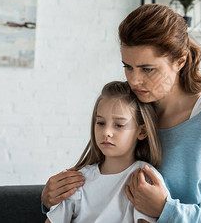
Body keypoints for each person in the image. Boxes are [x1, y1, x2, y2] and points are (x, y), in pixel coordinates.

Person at [42, 4, 201, 222]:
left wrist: (166, 210)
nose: (134, 80)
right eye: (128, 67)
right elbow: (97, 186)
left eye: (147, 69)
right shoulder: (128, 109)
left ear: (180, 61)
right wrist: (49, 200)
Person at [45, 81, 167, 223]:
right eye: (101, 123)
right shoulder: (77, 180)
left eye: (119, 125)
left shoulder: (144, 180)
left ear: (142, 131)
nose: (106, 132)